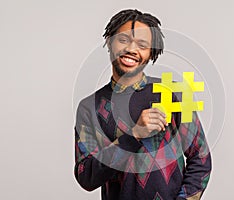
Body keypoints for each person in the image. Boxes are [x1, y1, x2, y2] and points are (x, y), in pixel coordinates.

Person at [74, 9, 212, 200]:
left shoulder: (175, 93)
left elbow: (201, 159)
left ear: (151, 53)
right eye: (123, 40)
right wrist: (133, 135)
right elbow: (85, 176)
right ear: (109, 41)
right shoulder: (89, 108)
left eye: (142, 44)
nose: (131, 49)